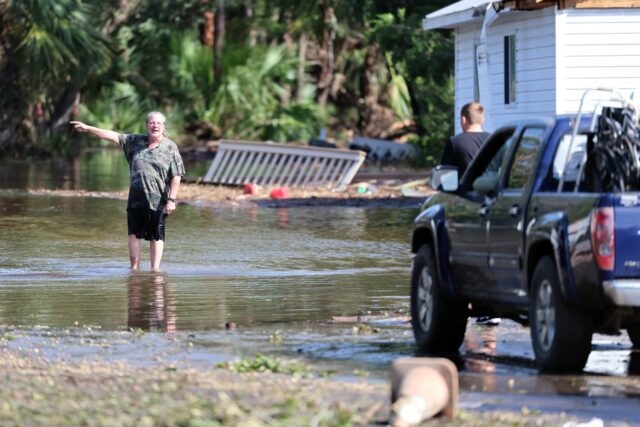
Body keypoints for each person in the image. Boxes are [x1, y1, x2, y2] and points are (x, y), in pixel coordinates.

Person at [70, 112, 185, 271]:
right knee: (133, 234)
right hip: (136, 199)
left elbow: (176, 175)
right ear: (147, 125)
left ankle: (155, 270)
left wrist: (172, 199)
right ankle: (134, 269)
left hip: (158, 200)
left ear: (164, 127)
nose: (155, 126)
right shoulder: (135, 141)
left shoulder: (170, 147)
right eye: (152, 123)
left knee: (157, 236)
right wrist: (88, 128)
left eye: (158, 123)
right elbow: (113, 136)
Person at [439, 101, 491, 177]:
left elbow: (443, 173)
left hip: (466, 189)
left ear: (463, 120)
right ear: (483, 120)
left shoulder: (455, 142)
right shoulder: (494, 140)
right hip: (495, 188)